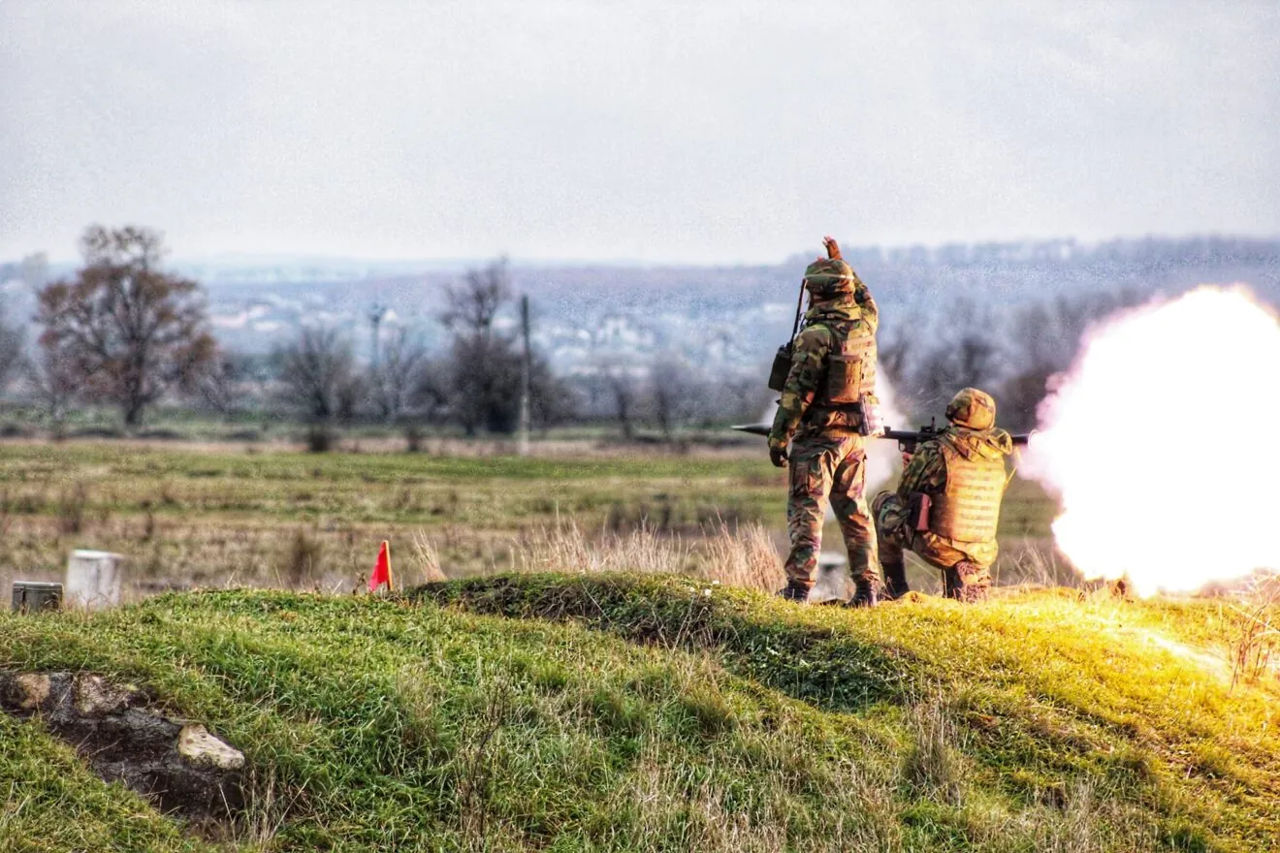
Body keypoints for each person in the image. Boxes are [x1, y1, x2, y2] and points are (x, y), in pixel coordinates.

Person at [768, 236, 881, 606]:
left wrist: (779, 437)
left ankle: (799, 588)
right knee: (855, 512)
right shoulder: (865, 326)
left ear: (816, 294)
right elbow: (868, 301)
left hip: (818, 440)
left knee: (807, 510)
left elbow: (797, 394)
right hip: (854, 438)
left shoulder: (816, 336)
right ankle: (868, 589)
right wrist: (843, 262)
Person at [872, 387, 1014, 602]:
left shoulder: (936, 450)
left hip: (940, 547)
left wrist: (913, 466)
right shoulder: (997, 457)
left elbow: (905, 496)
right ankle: (967, 578)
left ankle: (895, 588)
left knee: (883, 503)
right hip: (982, 551)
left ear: (954, 414)